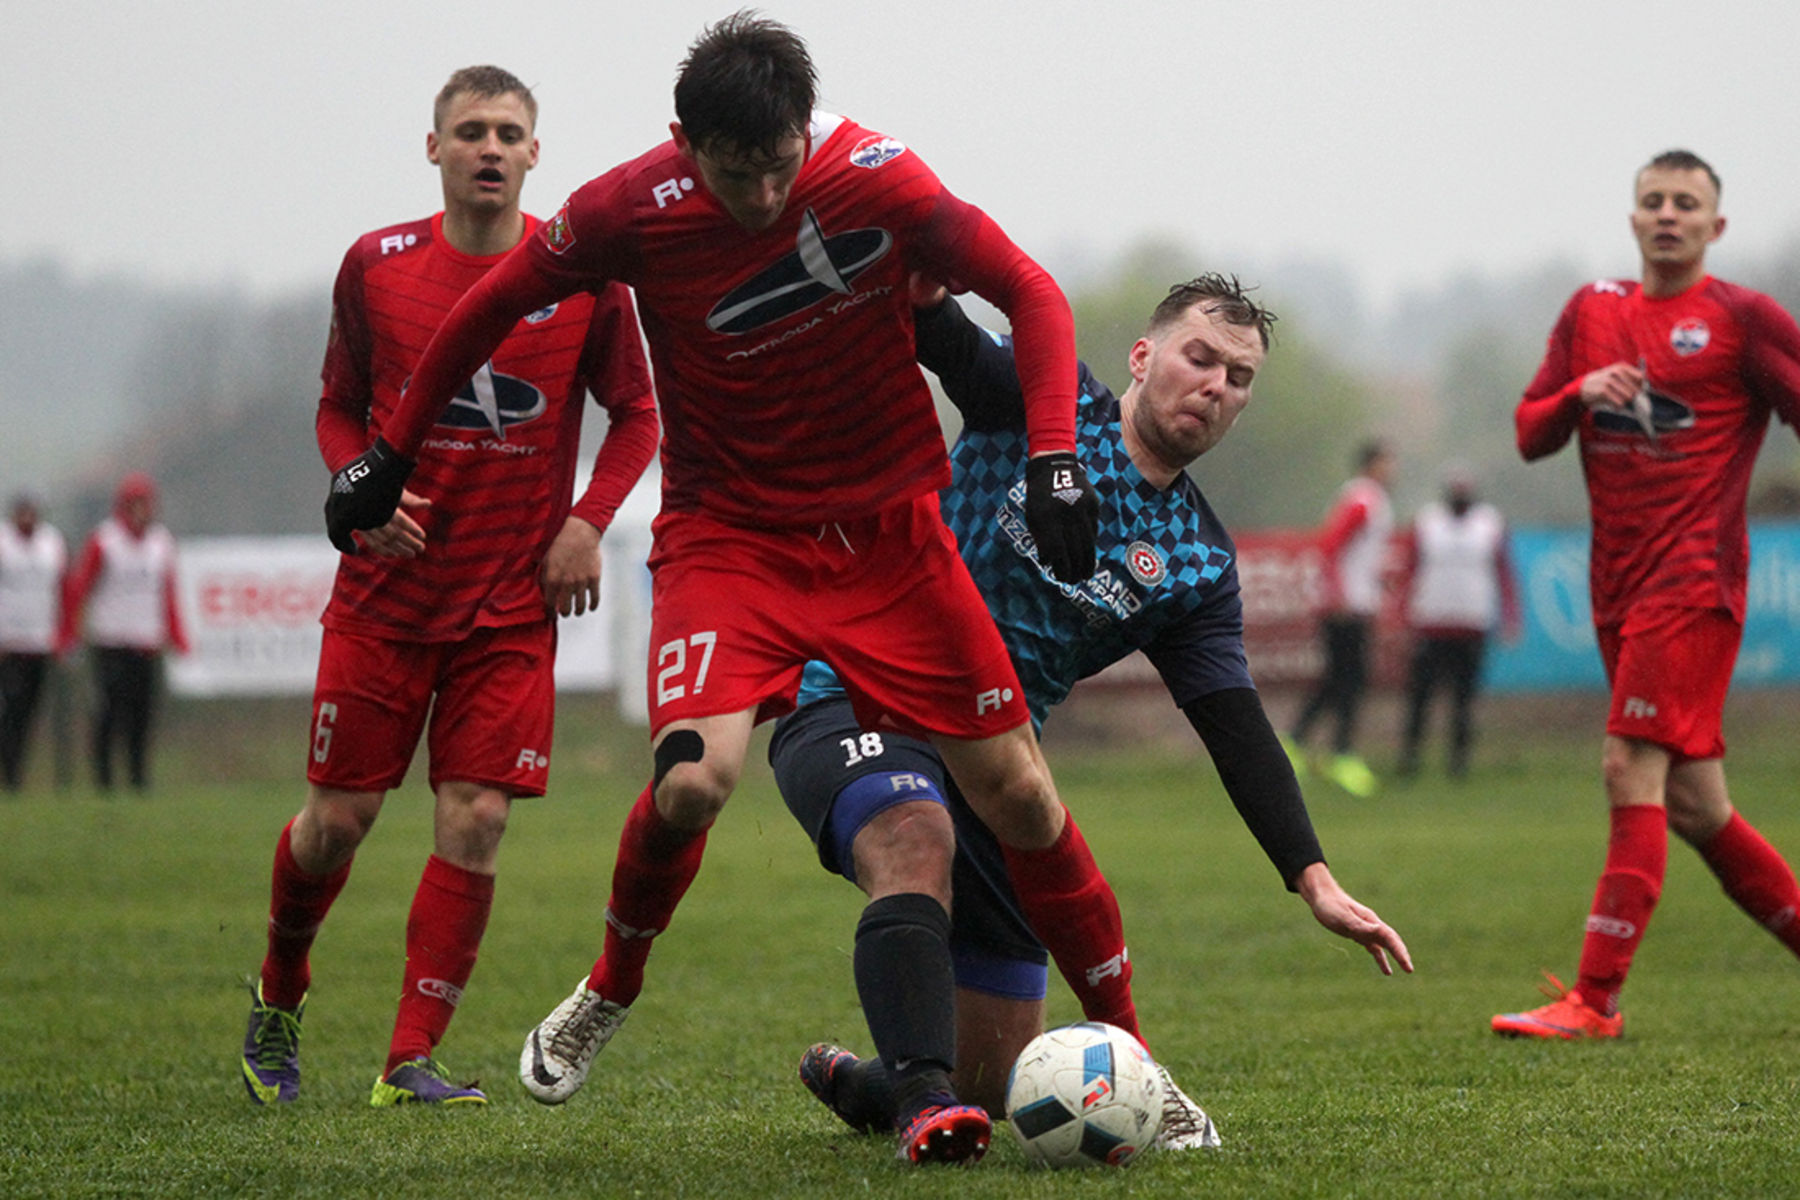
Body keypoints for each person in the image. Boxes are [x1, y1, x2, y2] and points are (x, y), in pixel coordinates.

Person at [324, 14, 1126, 1164]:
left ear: (808, 128)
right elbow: (485, 309)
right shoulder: (621, 208)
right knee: (695, 784)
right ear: (681, 143)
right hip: (730, 546)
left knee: (1027, 803)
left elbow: (1032, 290)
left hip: (892, 543)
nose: (759, 197)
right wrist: (388, 456)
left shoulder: (876, 176)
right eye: (731, 172)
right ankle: (610, 984)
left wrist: (1055, 453)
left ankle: (1136, 1056)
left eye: (777, 166)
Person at [773, 275, 1412, 1150]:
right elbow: (951, 343)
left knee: (1000, 1072)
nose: (1216, 385)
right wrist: (915, 285)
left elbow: (1235, 727)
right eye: (1199, 357)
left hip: (998, 765)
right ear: (1143, 359)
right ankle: (923, 1098)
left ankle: (870, 1082)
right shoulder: (1051, 406)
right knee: (915, 839)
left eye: (1239, 377)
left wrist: (1313, 876)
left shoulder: (1194, 561)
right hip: (854, 695)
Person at [238, 65, 658, 1108]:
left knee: (475, 817)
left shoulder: (586, 276)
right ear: (434, 149)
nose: (488, 147)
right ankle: (279, 991)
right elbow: (338, 407)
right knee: (336, 821)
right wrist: (357, 494)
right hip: (385, 600)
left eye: (508, 132)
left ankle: (407, 1059)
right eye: (469, 130)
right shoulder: (376, 268)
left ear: (533, 153)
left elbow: (639, 416)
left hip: (509, 607)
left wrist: (585, 522)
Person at [1494, 148, 1800, 1040]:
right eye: (1654, 201)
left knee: (1629, 766)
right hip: (1616, 584)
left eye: (1686, 203)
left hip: (1695, 578)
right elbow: (1527, 432)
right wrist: (1580, 392)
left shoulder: (1741, 319)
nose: (1668, 214)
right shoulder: (1592, 311)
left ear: (1716, 226)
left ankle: (1593, 1000)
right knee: (1698, 805)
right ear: (1633, 218)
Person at [59, 473, 188, 792]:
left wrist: (177, 635)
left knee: (142, 717)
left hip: (146, 645)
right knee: (108, 715)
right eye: (138, 504)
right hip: (110, 644)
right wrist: (69, 634)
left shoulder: (161, 543)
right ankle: (104, 782)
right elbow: (79, 589)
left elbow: (168, 595)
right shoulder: (104, 540)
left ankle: (138, 780)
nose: (144, 511)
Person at [1282, 439, 1396, 798]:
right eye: (1388, 462)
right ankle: (1340, 754)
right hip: (1345, 606)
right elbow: (1331, 544)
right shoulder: (1363, 499)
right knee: (1348, 679)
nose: (1393, 470)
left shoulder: (1370, 499)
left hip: (1356, 602)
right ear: (1373, 464)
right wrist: (1338, 594)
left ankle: (1296, 745)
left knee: (1340, 678)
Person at [1394, 466, 1520, 779]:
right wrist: (1401, 614)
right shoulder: (1427, 522)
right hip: (1431, 622)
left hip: (1472, 623)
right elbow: (1409, 569)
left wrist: (1510, 616)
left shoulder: (1489, 523)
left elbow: (1504, 572)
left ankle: (1458, 763)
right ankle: (1409, 760)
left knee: (1463, 701)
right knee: (1420, 697)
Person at [0, 492, 66, 792]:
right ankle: (10, 775)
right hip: (8, 644)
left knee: (27, 712)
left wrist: (63, 636)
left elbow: (64, 590)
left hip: (40, 642)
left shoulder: (52, 543)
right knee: (10, 710)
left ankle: (15, 775)